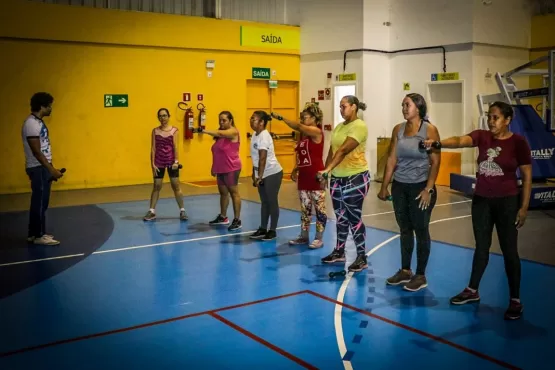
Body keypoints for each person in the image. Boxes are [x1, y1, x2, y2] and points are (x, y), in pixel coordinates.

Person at [423, 101, 532, 320]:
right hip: (482, 201)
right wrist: (438, 143)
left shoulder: (518, 142)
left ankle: (515, 300)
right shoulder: (483, 136)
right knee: (481, 247)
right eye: (489, 117)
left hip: (507, 202)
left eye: (496, 117)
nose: (491, 121)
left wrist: (524, 207)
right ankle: (472, 290)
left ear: (508, 120)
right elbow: (461, 141)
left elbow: (527, 176)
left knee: (509, 251)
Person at [378, 93, 441, 292]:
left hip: (421, 186)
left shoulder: (429, 129)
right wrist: (384, 185)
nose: (404, 108)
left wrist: (428, 189)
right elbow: (391, 159)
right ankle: (405, 271)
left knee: (421, 230)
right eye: (403, 105)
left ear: (418, 107)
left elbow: (436, 161)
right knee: (405, 229)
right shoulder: (399, 129)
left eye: (408, 105)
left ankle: (420, 275)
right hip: (400, 187)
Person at [318, 95, 370, 272]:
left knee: (353, 217)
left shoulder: (359, 126)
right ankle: (339, 251)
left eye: (344, 106)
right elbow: (332, 152)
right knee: (340, 217)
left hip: (355, 178)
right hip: (337, 178)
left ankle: (361, 256)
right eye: (339, 107)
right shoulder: (339, 127)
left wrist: (328, 169)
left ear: (354, 107)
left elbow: (344, 150)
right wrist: (326, 173)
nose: (341, 110)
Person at [271, 103, 327, 249]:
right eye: (301, 117)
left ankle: (319, 238)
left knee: (319, 209)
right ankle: (303, 236)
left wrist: (282, 118)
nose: (302, 119)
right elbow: (302, 153)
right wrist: (296, 168)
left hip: (316, 176)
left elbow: (299, 127)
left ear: (315, 118)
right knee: (305, 209)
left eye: (305, 117)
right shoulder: (303, 135)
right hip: (304, 176)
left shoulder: (316, 131)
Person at [22, 92, 63, 246]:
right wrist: (50, 169)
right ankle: (39, 235)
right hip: (38, 168)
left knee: (41, 202)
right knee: (39, 202)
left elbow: (43, 149)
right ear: (42, 106)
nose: (51, 109)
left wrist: (51, 167)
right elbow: (36, 151)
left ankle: (34, 233)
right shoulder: (31, 124)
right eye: (49, 106)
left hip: (42, 168)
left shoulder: (37, 123)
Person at [200, 111, 242, 231]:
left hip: (232, 167)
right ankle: (223, 217)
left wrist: (203, 130)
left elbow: (219, 132)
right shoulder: (220, 136)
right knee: (223, 193)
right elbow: (217, 152)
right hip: (221, 168)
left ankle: (237, 220)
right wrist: (214, 167)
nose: (221, 122)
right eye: (220, 120)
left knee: (234, 193)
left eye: (224, 120)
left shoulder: (233, 132)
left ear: (230, 121)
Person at [143, 108, 187, 221]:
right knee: (156, 186)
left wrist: (176, 161)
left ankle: (182, 211)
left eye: (165, 115)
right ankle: (151, 211)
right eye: (160, 116)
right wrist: (152, 164)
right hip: (159, 162)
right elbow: (153, 148)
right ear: (158, 118)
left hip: (171, 162)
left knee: (175, 186)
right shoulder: (155, 131)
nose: (163, 118)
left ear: (168, 116)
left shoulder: (174, 130)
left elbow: (175, 147)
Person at [249, 110, 283, 241]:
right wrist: (254, 173)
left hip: (272, 172)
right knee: (264, 202)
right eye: (251, 118)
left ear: (262, 122)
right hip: (262, 173)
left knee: (271, 201)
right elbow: (255, 157)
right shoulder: (254, 134)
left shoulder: (264, 135)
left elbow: (262, 157)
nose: (251, 121)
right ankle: (263, 228)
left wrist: (260, 176)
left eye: (254, 119)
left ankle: (272, 230)